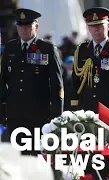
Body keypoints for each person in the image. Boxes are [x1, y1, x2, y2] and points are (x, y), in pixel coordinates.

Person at [0, 8, 64, 155]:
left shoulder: (47, 48)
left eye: (28, 25)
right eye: (21, 25)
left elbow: (57, 85)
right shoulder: (10, 47)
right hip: (14, 114)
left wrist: (56, 119)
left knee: (35, 158)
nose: (24, 29)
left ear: (36, 26)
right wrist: (2, 113)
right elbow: (3, 81)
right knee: (16, 158)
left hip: (39, 115)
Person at [71, 7, 109, 113]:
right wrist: (74, 104)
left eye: (99, 25)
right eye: (92, 26)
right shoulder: (82, 49)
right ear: (88, 29)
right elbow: (76, 80)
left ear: (108, 26)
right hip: (87, 107)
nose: (96, 29)